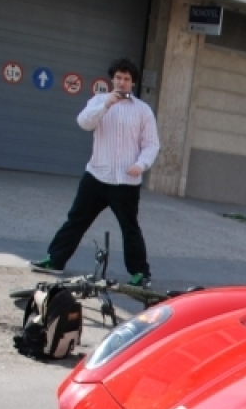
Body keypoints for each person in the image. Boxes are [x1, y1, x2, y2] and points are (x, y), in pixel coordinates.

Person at [32, 58, 160, 285]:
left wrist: (140, 164)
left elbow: (151, 144)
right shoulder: (99, 101)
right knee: (76, 220)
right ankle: (55, 259)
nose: (122, 83)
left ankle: (140, 273)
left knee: (130, 228)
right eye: (118, 78)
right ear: (112, 79)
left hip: (126, 182)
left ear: (133, 83)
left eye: (127, 79)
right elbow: (84, 122)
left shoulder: (143, 111)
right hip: (97, 176)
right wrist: (106, 105)